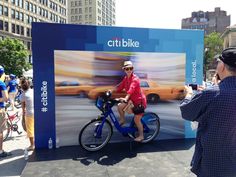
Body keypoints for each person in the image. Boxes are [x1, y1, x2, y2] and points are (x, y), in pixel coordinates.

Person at [180, 47, 236, 177]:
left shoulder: (211, 94)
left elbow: (186, 112)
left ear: (222, 66)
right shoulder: (211, 92)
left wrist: (189, 94)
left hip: (213, 164)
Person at [112, 61, 147, 142]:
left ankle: (141, 136)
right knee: (120, 106)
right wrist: (111, 91)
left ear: (133, 69)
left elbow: (131, 89)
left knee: (136, 119)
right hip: (131, 101)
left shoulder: (135, 79)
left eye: (131, 68)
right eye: (127, 69)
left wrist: (126, 98)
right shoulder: (126, 78)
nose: (129, 70)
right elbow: (120, 87)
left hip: (139, 102)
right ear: (124, 69)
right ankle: (122, 120)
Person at [0, 65, 11, 158]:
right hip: (0, 109)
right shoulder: (1, 83)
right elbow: (5, 98)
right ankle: (0, 151)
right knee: (0, 131)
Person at [20, 78, 34, 150]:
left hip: (29, 113)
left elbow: (23, 107)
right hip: (36, 112)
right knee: (35, 128)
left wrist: (23, 114)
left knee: (30, 129)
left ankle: (32, 145)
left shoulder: (23, 95)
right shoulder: (33, 91)